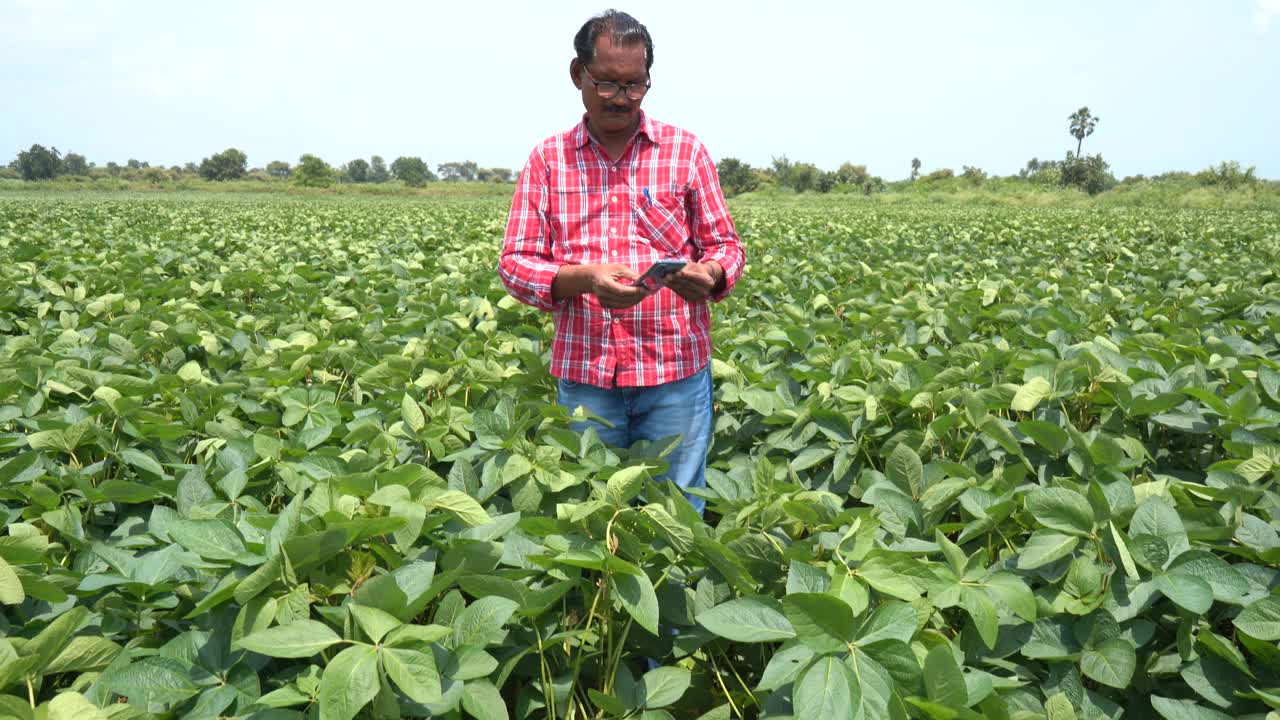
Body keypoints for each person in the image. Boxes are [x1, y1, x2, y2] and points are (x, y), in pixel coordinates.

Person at [497, 10, 745, 514]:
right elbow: (515, 264)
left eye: (635, 85)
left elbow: (727, 247)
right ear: (577, 75)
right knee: (591, 514)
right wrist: (583, 279)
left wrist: (711, 273)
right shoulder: (549, 160)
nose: (621, 98)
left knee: (676, 516)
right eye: (606, 83)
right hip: (588, 378)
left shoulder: (685, 152)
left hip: (674, 373)